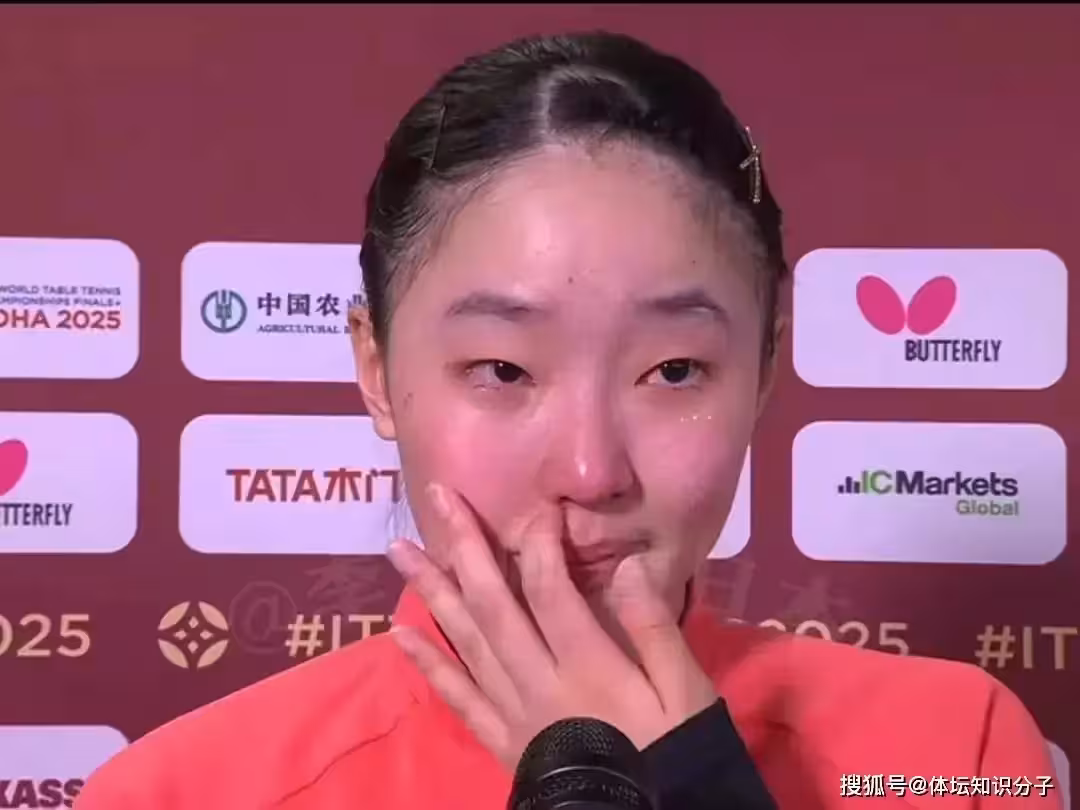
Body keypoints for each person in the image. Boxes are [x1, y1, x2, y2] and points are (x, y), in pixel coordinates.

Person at [77, 30, 1061, 810]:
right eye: (503, 370)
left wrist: (694, 783)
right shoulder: (178, 793)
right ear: (375, 369)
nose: (592, 472)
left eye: (673, 370)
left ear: (766, 365)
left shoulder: (955, 755)